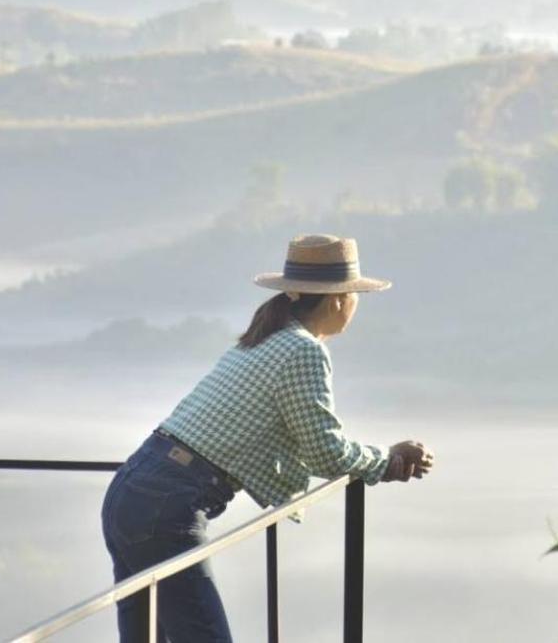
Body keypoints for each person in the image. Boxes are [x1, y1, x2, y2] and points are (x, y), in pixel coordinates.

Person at [99, 233, 433, 642]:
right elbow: (326, 452)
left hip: (133, 487)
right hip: (166, 503)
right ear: (339, 300)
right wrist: (386, 461)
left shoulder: (266, 337)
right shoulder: (304, 350)